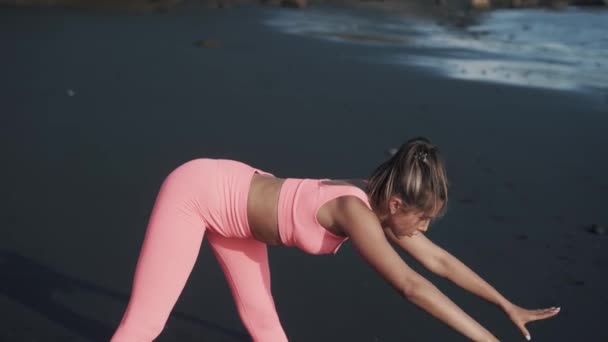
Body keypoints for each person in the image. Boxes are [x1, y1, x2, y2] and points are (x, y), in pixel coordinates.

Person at [111, 137, 559, 342]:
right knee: (146, 323)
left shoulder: (382, 203)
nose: (423, 232)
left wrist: (505, 305)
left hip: (240, 219)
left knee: (265, 326)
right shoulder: (355, 210)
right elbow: (411, 284)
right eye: (423, 220)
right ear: (399, 205)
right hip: (199, 192)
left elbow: (438, 263)